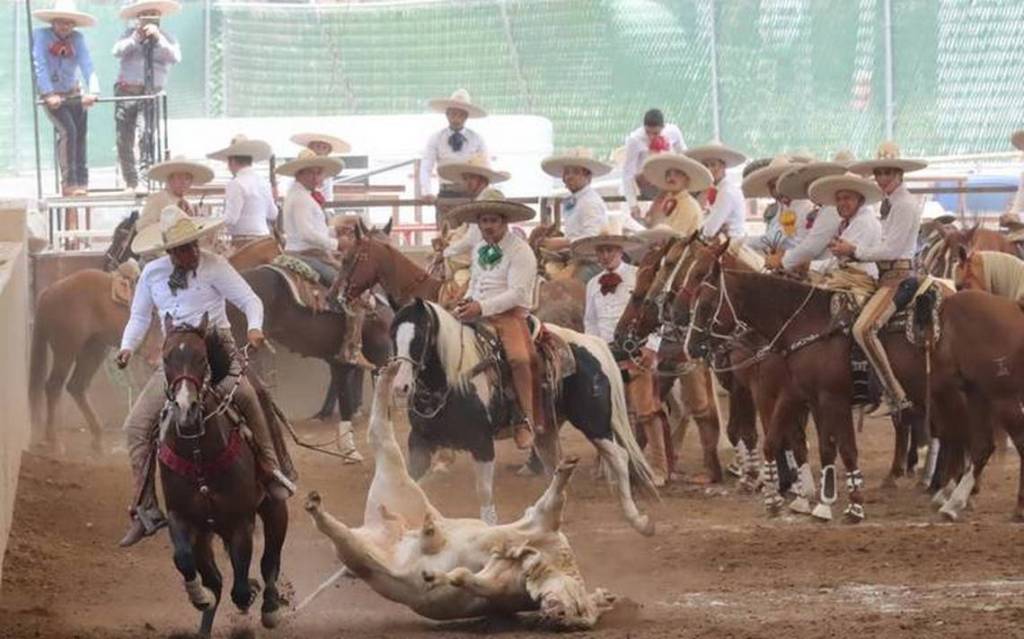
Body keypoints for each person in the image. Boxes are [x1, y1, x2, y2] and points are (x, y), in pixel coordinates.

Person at [115, 206, 296, 547]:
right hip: (177, 356)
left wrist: (255, 328)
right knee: (136, 426)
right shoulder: (152, 274)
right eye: (183, 248)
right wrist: (127, 347)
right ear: (168, 251)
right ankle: (146, 507)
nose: (192, 252)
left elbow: (249, 300)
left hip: (217, 349)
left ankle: (272, 471)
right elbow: (139, 318)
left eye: (195, 244)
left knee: (250, 396)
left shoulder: (215, 265)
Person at [831, 142, 928, 417]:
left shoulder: (904, 205)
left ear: (899, 175)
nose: (882, 178)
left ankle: (894, 393)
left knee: (864, 329)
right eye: (879, 173)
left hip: (897, 278)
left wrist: (854, 251)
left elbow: (892, 250)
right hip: (887, 275)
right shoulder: (892, 204)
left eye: (888, 173)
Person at [574, 228, 669, 486]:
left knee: (646, 410)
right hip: (607, 353)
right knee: (609, 410)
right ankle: (612, 461)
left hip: (636, 351)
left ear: (620, 250)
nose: (604, 256)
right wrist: (592, 351)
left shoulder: (638, 276)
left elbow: (657, 315)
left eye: (609, 250)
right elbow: (590, 322)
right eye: (600, 251)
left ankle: (660, 466)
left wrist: (652, 346)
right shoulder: (593, 284)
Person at [449, 198, 539, 450]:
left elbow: (518, 293)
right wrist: (468, 301)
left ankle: (525, 419)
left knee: (520, 359)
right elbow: (477, 282)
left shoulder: (520, 251)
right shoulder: (480, 248)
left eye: (493, 221)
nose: (488, 226)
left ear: (505, 222)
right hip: (476, 310)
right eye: (484, 221)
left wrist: (481, 307)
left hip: (508, 314)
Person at [113, 0, 182, 192]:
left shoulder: (167, 37)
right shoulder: (128, 35)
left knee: (147, 134)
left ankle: (145, 179)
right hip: (127, 91)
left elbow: (175, 57)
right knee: (123, 138)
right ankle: (130, 180)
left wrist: (158, 38)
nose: (149, 18)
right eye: (145, 14)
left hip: (152, 92)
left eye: (153, 14)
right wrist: (136, 38)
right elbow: (117, 51)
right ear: (137, 17)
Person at [32, 0, 99, 196]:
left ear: (74, 25)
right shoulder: (41, 36)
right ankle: (69, 182)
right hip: (54, 96)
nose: (65, 26)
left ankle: (82, 181)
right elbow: (40, 64)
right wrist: (48, 93)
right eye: (61, 22)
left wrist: (93, 91)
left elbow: (87, 64)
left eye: (69, 23)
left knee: (80, 134)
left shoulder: (77, 39)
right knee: (68, 131)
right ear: (53, 22)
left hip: (73, 92)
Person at [768, 155, 852, 274]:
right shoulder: (822, 208)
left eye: (815, 185)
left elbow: (811, 247)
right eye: (808, 186)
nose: (812, 190)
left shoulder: (831, 209)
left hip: (829, 272)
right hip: (816, 267)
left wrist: (782, 261)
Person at [278, 149, 346, 288]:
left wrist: (334, 231)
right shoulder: (302, 198)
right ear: (299, 174)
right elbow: (306, 234)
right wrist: (336, 244)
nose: (315, 177)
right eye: (310, 172)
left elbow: (311, 228)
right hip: (306, 255)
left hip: (301, 252)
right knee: (344, 285)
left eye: (318, 172)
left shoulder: (299, 194)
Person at [806, 174, 883, 287]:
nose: (841, 203)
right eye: (838, 199)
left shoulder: (863, 221)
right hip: (849, 276)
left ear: (860, 201)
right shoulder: (852, 220)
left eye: (847, 198)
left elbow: (844, 261)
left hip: (859, 279)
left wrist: (809, 265)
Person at [419, 89, 489, 211]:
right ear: (447, 114)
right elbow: (426, 166)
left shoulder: (477, 139)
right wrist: (427, 191)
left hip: (470, 194)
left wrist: (484, 193)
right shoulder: (436, 138)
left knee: (470, 228)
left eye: (461, 114)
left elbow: (485, 168)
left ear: (466, 116)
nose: (456, 118)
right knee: (446, 229)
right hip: (446, 193)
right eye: (453, 114)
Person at [207, 134, 277, 246]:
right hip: (265, 240)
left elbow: (231, 219)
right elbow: (273, 214)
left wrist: (211, 223)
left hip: (244, 242)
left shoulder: (236, 184)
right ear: (250, 160)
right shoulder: (264, 182)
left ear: (232, 161)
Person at [438, 155, 511, 260]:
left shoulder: (486, 198)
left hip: (491, 256)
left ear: (482, 180)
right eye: (465, 178)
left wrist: (446, 252)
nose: (466, 182)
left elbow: (472, 238)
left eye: (471, 178)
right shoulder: (482, 198)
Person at [621, 108, 687, 219]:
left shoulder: (673, 131)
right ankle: (654, 217)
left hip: (669, 178)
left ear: (663, 127)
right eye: (648, 132)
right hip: (648, 183)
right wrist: (633, 205)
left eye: (656, 133)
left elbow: (684, 154)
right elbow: (627, 173)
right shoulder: (635, 139)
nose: (651, 137)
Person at [742, 155, 815, 254]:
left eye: (779, 185)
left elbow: (776, 238)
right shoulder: (784, 206)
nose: (776, 191)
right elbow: (774, 236)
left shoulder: (803, 205)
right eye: (772, 187)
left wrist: (744, 241)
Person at [684, 143, 748, 240]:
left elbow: (710, 230)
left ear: (723, 167)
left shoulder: (727, 192)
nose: (709, 169)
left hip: (731, 244)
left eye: (713, 165)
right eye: (706, 165)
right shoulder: (718, 189)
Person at [640, 152, 712, 237]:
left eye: (677, 173)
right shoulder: (668, 200)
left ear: (687, 179)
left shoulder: (688, 205)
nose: (671, 178)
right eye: (668, 174)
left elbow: (672, 237)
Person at [138, 155, 213, 227]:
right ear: (170, 179)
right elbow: (143, 226)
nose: (183, 182)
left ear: (191, 182)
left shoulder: (188, 206)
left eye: (187, 178)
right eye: (179, 177)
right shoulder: (158, 199)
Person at [290, 132, 351, 203]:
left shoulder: (328, 173)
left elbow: (328, 196)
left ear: (328, 152)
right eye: (318, 146)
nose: (320, 151)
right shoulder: (300, 167)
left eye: (324, 148)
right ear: (311, 148)